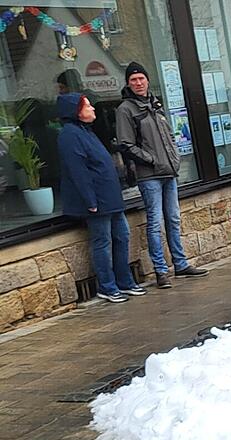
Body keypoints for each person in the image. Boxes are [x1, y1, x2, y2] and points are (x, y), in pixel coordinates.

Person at [116, 62, 207, 289]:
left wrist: (174, 157)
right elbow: (126, 144)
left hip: (169, 171)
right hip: (149, 175)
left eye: (141, 78)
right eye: (133, 80)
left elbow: (169, 136)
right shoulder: (126, 109)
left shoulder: (155, 104)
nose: (138, 83)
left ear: (147, 80)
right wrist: (152, 160)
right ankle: (160, 270)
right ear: (128, 83)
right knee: (155, 222)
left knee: (173, 219)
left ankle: (180, 263)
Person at [57, 93, 146, 303]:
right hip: (97, 200)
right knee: (103, 242)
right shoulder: (69, 135)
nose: (93, 109)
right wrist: (90, 200)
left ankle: (125, 281)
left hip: (111, 197)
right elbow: (78, 170)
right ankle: (107, 286)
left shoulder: (86, 131)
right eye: (87, 106)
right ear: (76, 111)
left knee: (122, 236)